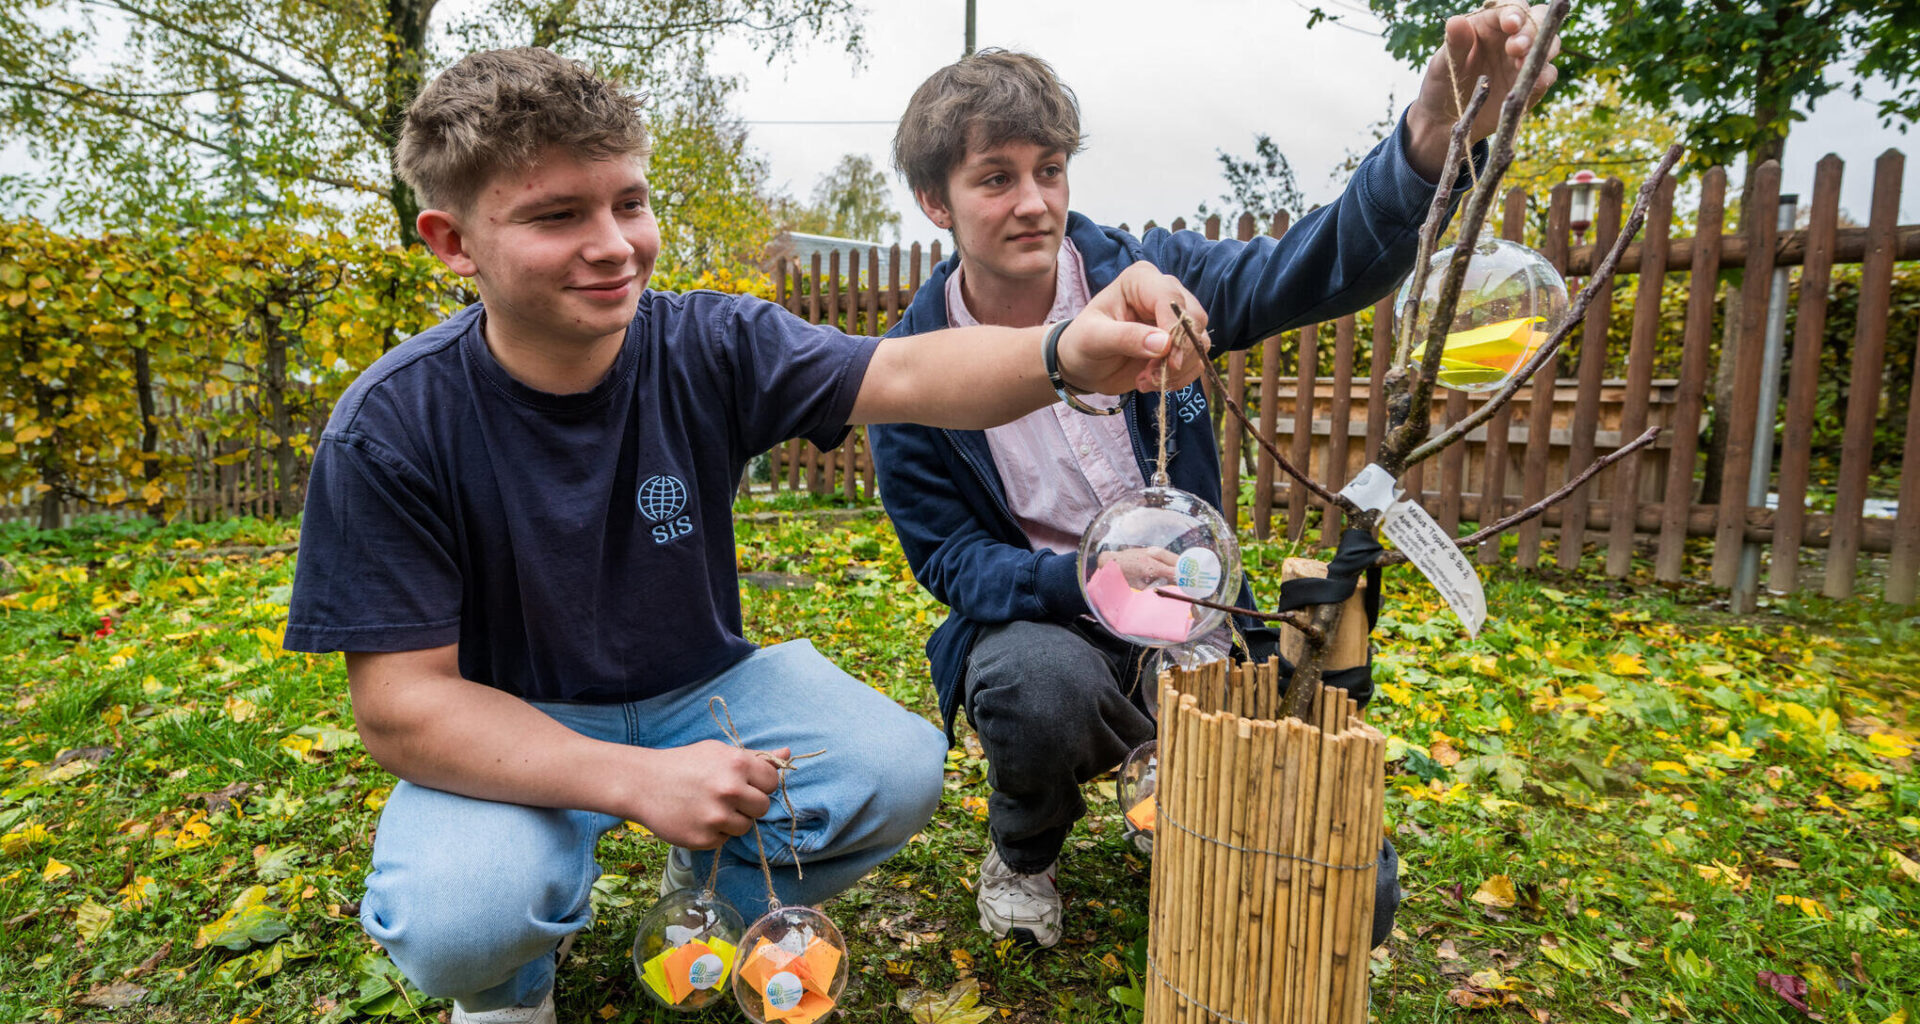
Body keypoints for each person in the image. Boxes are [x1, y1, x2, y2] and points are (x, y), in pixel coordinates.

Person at [283, 46, 1211, 1024]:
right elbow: (399, 705)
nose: (612, 244)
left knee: (893, 769)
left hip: (702, 692)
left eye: (628, 203)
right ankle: (509, 990)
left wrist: (1064, 351)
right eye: (557, 215)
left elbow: (907, 375)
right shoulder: (391, 425)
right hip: (509, 717)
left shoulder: (709, 343)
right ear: (452, 240)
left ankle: (709, 903)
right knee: (458, 921)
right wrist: (635, 779)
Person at [868, 4, 1561, 949]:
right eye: (996, 178)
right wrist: (1081, 580)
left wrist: (1427, 143)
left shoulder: (1153, 277)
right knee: (1037, 686)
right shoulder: (914, 366)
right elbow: (949, 560)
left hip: (1197, 619)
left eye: (1050, 170)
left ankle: (1176, 788)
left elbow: (1303, 269)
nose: (1033, 201)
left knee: (1354, 886)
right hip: (1044, 624)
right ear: (935, 203)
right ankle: (1025, 850)